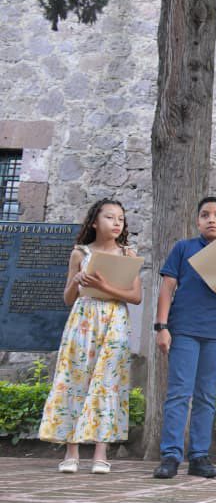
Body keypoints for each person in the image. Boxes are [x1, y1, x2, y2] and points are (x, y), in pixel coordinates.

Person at [40, 199, 142, 474]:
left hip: (114, 321)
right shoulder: (79, 253)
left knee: (108, 383)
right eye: (110, 217)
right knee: (75, 379)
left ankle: (101, 452)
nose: (117, 222)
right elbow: (67, 298)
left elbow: (135, 296)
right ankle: (71, 451)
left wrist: (104, 285)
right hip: (83, 320)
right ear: (95, 222)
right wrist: (77, 281)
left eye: (120, 218)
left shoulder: (128, 255)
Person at [153, 197, 216, 479]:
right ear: (197, 221)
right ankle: (171, 455)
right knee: (179, 393)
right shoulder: (184, 248)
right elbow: (167, 287)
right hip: (183, 329)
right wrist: (161, 327)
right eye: (205, 214)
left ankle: (199, 456)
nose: (211, 219)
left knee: (206, 396)